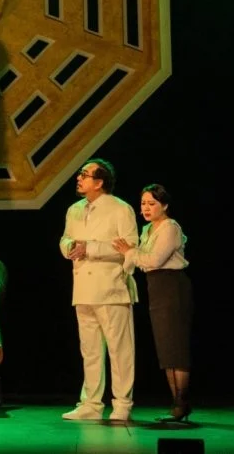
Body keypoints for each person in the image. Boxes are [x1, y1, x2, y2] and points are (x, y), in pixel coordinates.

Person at [59, 159, 139, 421]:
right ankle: (91, 404)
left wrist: (90, 248)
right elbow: (65, 238)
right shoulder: (74, 210)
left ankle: (122, 403)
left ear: (100, 182)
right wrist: (70, 247)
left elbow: (130, 247)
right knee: (90, 350)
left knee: (119, 350)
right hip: (83, 288)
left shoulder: (120, 209)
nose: (79, 178)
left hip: (111, 288)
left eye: (85, 174)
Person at [113, 184, 193, 422]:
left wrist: (130, 252)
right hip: (156, 287)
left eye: (152, 203)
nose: (146, 208)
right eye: (143, 204)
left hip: (172, 286)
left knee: (176, 346)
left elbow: (154, 260)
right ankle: (176, 403)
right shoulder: (147, 229)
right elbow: (139, 260)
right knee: (166, 347)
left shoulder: (170, 227)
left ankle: (182, 403)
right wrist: (127, 258)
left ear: (164, 205)